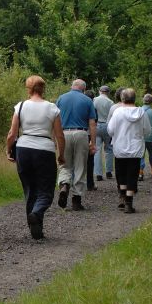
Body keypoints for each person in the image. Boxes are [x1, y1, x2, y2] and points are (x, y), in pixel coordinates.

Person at [5, 75, 65, 240]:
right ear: (43, 89)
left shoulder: (21, 106)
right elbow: (59, 135)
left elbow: (12, 133)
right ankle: (37, 213)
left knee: (30, 189)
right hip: (45, 150)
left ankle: (35, 226)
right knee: (46, 190)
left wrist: (9, 149)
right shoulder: (52, 108)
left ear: (28, 89)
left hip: (24, 149)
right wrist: (61, 155)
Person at [54, 79, 96, 211]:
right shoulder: (88, 101)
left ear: (72, 87)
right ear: (83, 89)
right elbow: (92, 124)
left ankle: (64, 185)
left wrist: (55, 138)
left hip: (64, 133)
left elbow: (55, 119)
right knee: (80, 166)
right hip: (81, 133)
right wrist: (93, 143)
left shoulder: (61, 98)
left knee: (64, 164)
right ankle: (76, 200)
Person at [106, 88, 148, 213]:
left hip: (120, 147)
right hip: (136, 148)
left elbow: (110, 130)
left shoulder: (118, 112)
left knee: (121, 174)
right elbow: (148, 131)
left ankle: (122, 197)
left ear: (122, 99)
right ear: (135, 99)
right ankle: (129, 203)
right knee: (132, 175)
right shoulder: (142, 112)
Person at [93, 85, 114, 183]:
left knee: (97, 149)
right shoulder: (111, 102)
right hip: (107, 125)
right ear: (108, 92)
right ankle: (109, 171)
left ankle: (98, 173)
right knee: (109, 148)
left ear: (99, 91)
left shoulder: (94, 100)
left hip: (96, 125)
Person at [139, 93, 152, 180]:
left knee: (141, 154)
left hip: (140, 136)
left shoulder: (138, 110)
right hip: (151, 136)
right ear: (151, 102)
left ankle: (140, 173)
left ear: (143, 101)